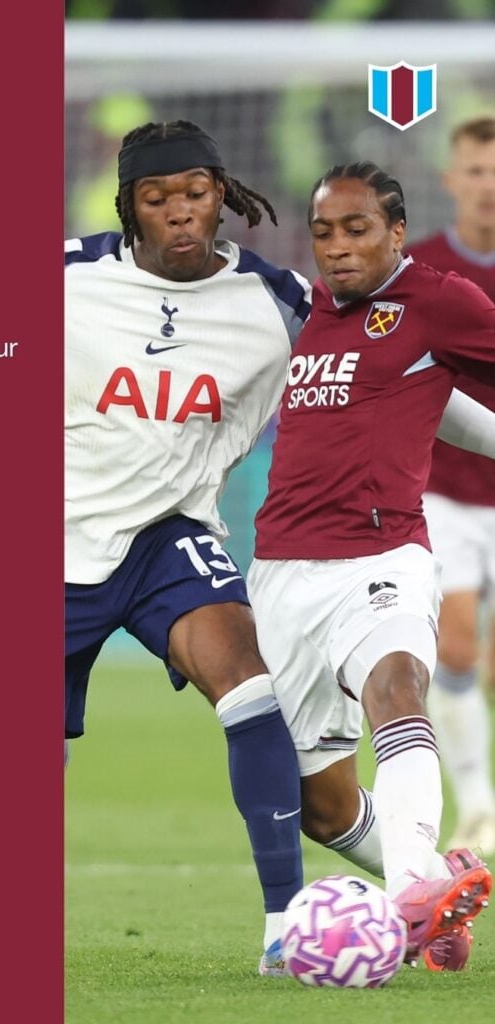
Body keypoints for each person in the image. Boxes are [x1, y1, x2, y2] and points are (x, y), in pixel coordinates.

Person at [65, 119, 313, 976]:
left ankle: (288, 925)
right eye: (156, 198)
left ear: (222, 197)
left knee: (251, 689)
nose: (179, 213)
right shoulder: (61, 276)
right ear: (129, 210)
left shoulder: (277, 304)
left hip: (168, 535)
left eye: (194, 195)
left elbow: (389, 370)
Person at [248, 161, 495, 973]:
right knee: (323, 809)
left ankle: (408, 899)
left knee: (397, 684)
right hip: (282, 572)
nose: (337, 248)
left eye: (356, 230)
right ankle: (432, 885)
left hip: (382, 555)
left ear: (394, 231)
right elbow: (434, 403)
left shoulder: (436, 301)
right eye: (322, 233)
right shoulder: (310, 308)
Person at [408, 116, 495, 856]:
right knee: (458, 650)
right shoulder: (421, 270)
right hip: (444, 489)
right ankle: (477, 807)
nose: (488, 185)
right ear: (450, 180)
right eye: (474, 171)